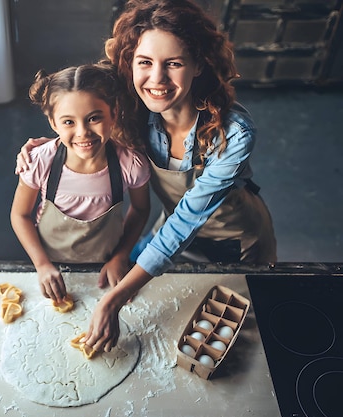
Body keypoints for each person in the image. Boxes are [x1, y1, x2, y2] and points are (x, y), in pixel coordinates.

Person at [15, 0, 277, 352]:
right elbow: (82, 102)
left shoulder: (235, 133)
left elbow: (187, 220)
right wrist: (59, 145)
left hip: (234, 243)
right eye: (145, 63)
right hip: (163, 233)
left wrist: (115, 299)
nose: (157, 80)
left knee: (226, 339)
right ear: (130, 63)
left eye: (174, 64)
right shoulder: (135, 108)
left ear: (199, 64)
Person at [10, 63, 151, 303]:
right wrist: (42, 264)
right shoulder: (40, 161)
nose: (83, 132)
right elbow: (20, 215)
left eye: (94, 118)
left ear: (113, 114)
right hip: (51, 266)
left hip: (106, 267)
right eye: (68, 122)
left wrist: (120, 256)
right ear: (53, 123)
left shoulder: (131, 164)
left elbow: (141, 208)